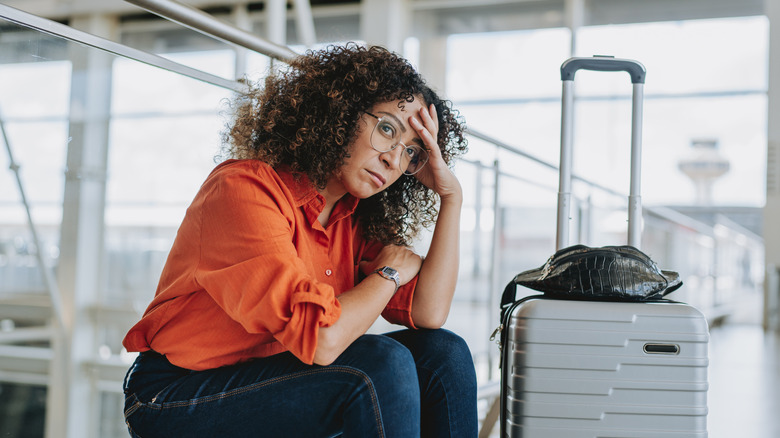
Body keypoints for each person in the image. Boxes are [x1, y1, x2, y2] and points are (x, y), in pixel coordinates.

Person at [122, 43, 476, 438]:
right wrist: (389, 274)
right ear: (341, 115)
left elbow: (429, 313)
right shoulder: (243, 189)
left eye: (412, 152)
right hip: (172, 394)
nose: (394, 159)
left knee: (444, 354)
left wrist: (451, 197)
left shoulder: (352, 220)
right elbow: (324, 341)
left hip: (268, 376)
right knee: (379, 363)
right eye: (387, 129)